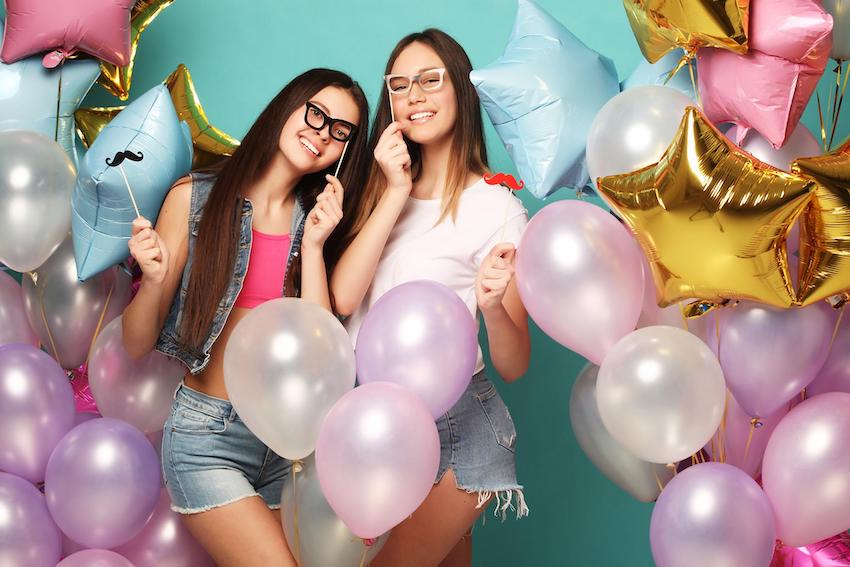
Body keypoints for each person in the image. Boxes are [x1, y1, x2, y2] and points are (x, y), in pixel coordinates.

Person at [122, 68, 369, 567]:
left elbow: (321, 352)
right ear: (287, 107)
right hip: (206, 438)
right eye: (316, 113)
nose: (322, 132)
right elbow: (134, 343)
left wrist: (318, 246)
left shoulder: (314, 221)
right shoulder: (194, 198)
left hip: (287, 447)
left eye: (339, 130)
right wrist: (152, 280)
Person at [332, 30, 531, 567]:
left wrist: (492, 307)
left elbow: (514, 364)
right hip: (377, 426)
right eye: (399, 86)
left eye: (429, 80)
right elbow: (344, 299)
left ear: (461, 91)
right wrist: (394, 190)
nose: (413, 96)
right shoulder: (376, 189)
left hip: (460, 424)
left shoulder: (497, 207)